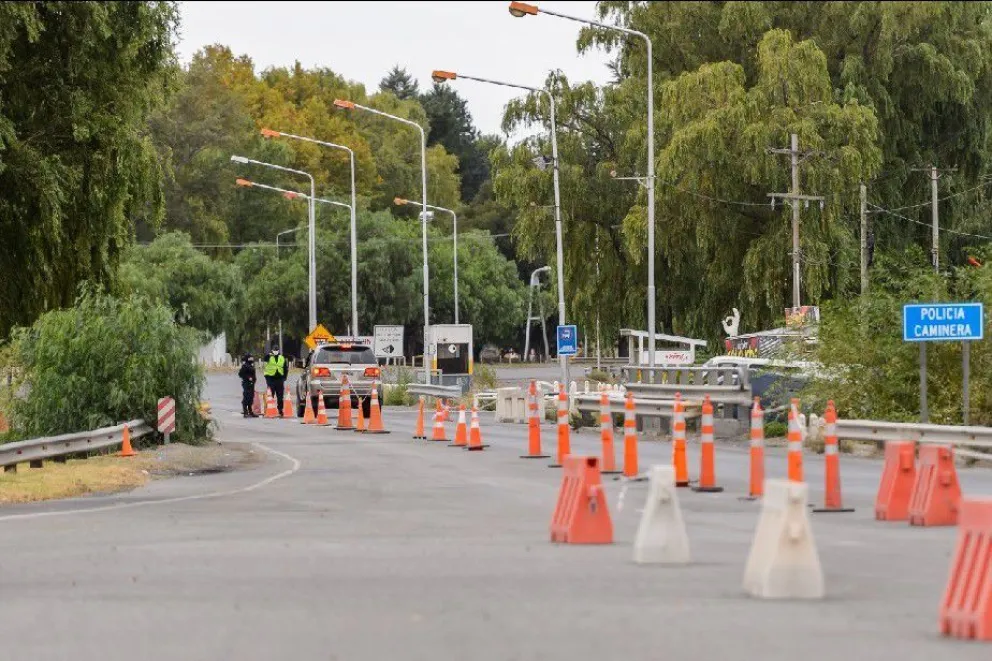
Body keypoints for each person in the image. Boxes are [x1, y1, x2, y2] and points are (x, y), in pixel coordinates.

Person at [263, 344, 289, 417]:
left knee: (280, 396)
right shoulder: (269, 357)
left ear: (278, 351)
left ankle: (280, 410)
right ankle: (269, 409)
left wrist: (284, 377)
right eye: (274, 350)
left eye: (276, 350)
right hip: (270, 378)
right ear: (272, 350)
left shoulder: (282, 358)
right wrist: (269, 355)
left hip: (279, 379)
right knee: (271, 395)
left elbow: (285, 368)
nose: (275, 352)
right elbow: (265, 359)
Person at [238, 353, 258, 418]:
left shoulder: (251, 365)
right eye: (250, 358)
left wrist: (254, 380)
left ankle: (250, 411)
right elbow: (240, 374)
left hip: (252, 384)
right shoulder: (245, 366)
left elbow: (253, 374)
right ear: (247, 359)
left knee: (251, 397)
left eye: (252, 358)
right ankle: (245, 412)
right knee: (246, 397)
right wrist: (248, 377)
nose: (251, 359)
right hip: (246, 383)